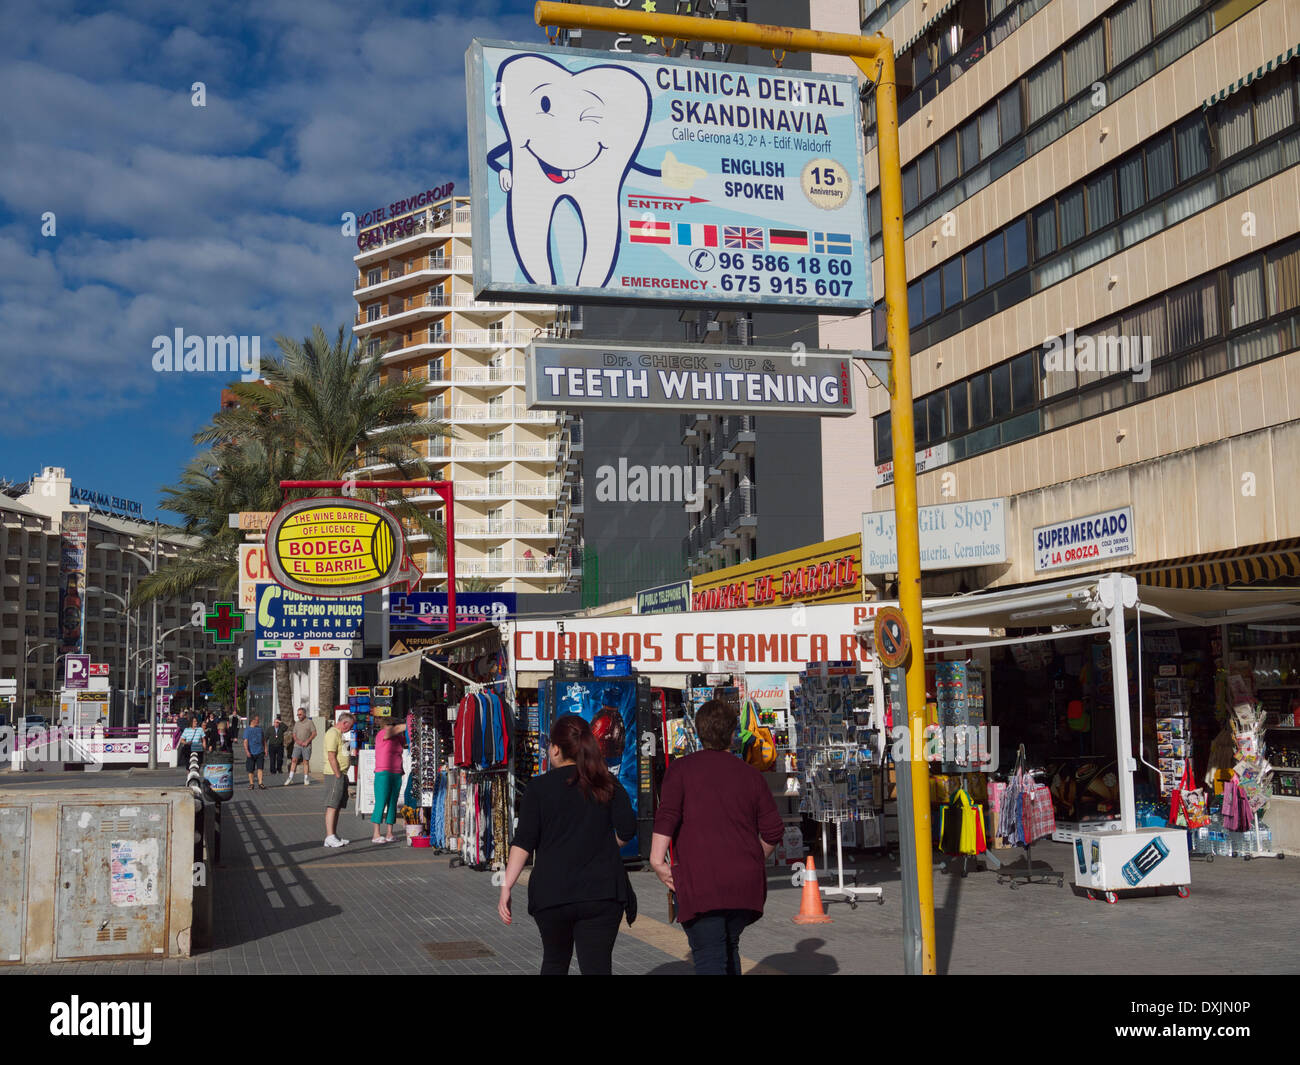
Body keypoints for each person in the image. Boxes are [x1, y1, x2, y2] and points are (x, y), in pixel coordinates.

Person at [650, 699, 783, 976]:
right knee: (728, 949)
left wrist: (657, 861)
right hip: (743, 883)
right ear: (734, 733)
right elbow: (773, 831)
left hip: (701, 881)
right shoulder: (751, 776)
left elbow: (667, 816)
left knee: (710, 957)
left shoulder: (681, 770)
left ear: (698, 732)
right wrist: (753, 857)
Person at [498, 714, 636, 976]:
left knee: (554, 962)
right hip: (602, 892)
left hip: (552, 893)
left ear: (556, 749)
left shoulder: (538, 788)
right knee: (597, 968)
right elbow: (628, 829)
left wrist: (506, 887)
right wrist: (603, 846)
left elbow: (524, 842)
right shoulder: (606, 782)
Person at [371, 714, 407, 843]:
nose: (392, 727)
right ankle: (376, 834)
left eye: (393, 725)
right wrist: (409, 723)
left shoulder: (398, 738)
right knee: (381, 802)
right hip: (383, 772)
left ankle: (389, 833)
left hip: (396, 772)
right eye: (390, 725)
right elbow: (394, 731)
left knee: (392, 803)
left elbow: (407, 741)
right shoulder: (382, 734)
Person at [322, 712, 354, 848]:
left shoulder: (339, 734)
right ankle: (329, 836)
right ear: (344, 723)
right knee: (332, 805)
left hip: (341, 773)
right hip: (335, 774)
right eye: (350, 726)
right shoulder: (333, 733)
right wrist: (338, 774)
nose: (350, 729)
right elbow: (331, 755)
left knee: (338, 806)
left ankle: (333, 835)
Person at [284, 708, 316, 786]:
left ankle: (306, 778)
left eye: (300, 714)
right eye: (298, 714)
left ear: (304, 714)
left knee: (305, 761)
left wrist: (307, 741)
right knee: (294, 760)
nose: (299, 716)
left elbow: (314, 733)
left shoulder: (310, 722)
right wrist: (297, 741)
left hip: (306, 746)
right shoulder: (297, 723)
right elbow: (294, 734)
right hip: (297, 745)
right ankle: (290, 778)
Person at [243, 713, 266, 790]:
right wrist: (247, 751)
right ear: (252, 720)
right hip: (251, 752)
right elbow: (245, 741)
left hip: (260, 751)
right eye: (257, 720)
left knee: (260, 768)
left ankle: (260, 783)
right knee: (251, 769)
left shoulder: (260, 729)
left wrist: (265, 749)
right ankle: (251, 783)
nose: (258, 721)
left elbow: (263, 740)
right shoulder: (247, 730)